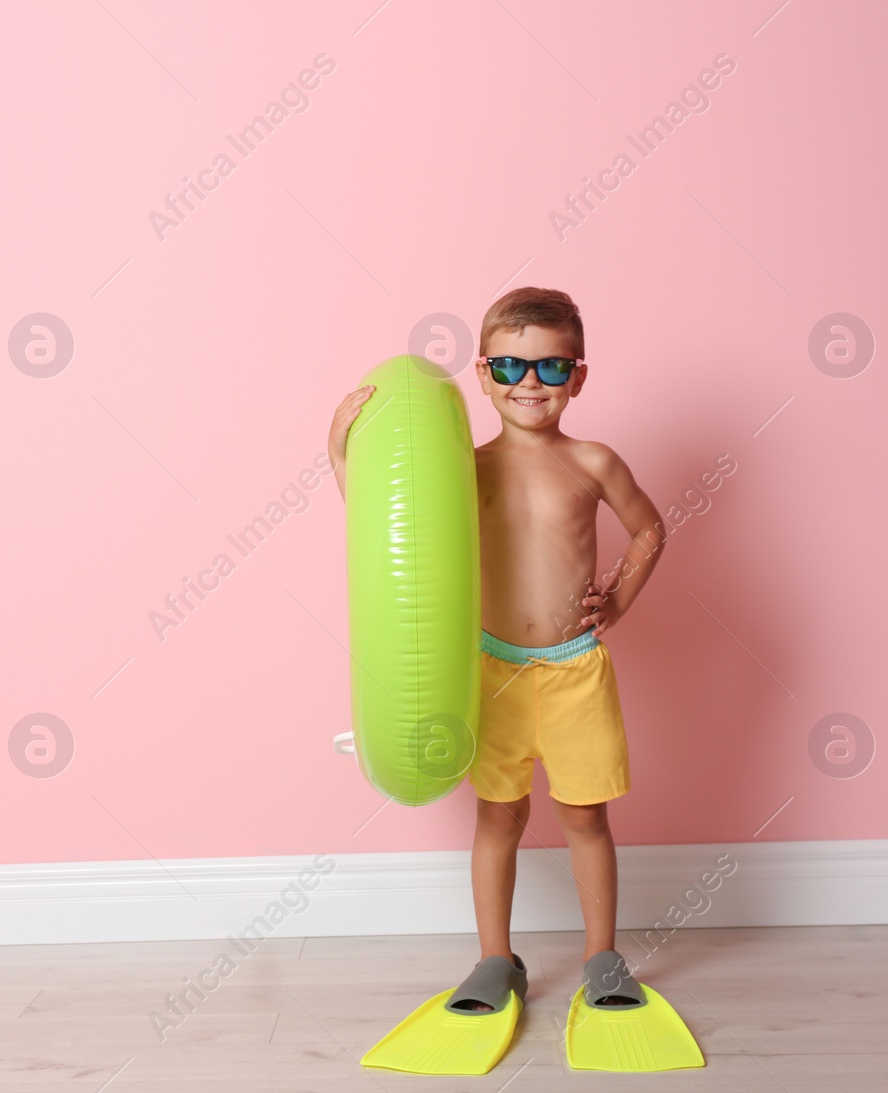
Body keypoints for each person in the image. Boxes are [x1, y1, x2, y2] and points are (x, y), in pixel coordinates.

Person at [327, 286, 667, 1017]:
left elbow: (649, 530)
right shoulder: (464, 469)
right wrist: (337, 449)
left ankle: (602, 956)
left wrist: (619, 598)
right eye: (510, 367)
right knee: (498, 818)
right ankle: (494, 958)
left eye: (550, 367)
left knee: (585, 818)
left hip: (575, 670)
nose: (529, 384)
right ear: (482, 376)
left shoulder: (594, 461)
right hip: (494, 672)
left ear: (578, 375)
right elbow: (383, 523)